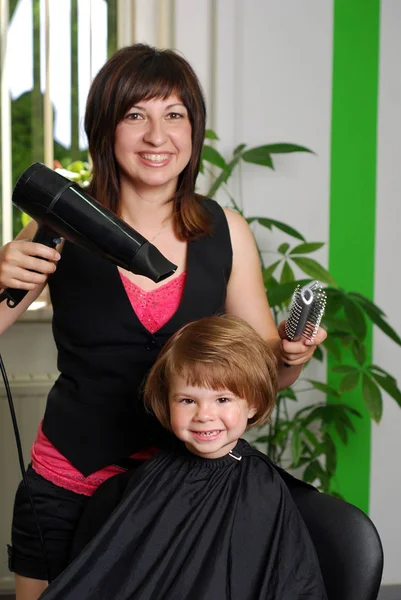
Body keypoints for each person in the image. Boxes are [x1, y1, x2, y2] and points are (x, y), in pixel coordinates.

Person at [0, 43, 327, 600]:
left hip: (184, 488)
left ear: (193, 130)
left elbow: (259, 376)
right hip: (67, 481)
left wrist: (292, 356)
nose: (157, 136)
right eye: (135, 115)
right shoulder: (57, 224)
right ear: (105, 129)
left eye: (174, 115)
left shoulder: (226, 231)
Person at [38, 315, 327, 600]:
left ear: (253, 403)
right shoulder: (153, 477)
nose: (204, 415)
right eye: (188, 400)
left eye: (222, 399)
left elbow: (266, 581)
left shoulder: (260, 488)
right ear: (167, 402)